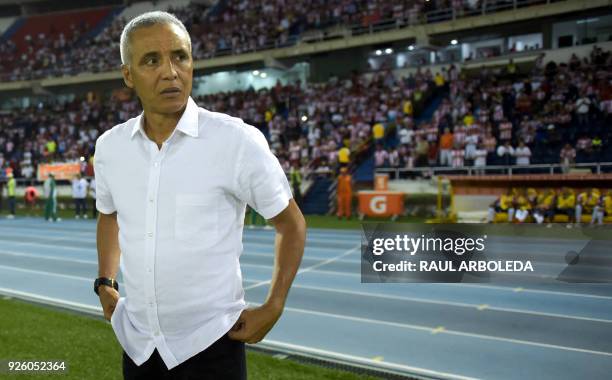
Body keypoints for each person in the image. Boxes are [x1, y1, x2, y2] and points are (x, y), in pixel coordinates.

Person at [94, 12, 306, 380]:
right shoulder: (111, 147)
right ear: (128, 75)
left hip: (212, 345)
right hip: (139, 345)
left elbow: (291, 224)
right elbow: (109, 214)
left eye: (180, 56)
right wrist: (106, 281)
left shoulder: (235, 140)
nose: (171, 72)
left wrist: (274, 305)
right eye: (151, 60)